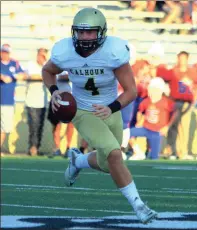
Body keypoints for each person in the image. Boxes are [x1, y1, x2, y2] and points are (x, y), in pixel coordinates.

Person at [42, 7, 157, 223]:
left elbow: (131, 91)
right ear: (74, 32)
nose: (85, 37)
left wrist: (111, 108)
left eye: (91, 32)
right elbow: (47, 71)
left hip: (110, 109)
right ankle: (139, 206)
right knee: (114, 155)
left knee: (109, 164)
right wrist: (54, 91)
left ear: (101, 32)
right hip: (83, 111)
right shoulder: (65, 51)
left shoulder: (113, 51)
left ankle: (78, 161)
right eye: (81, 32)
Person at [122, 77, 177, 160]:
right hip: (146, 128)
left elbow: (175, 114)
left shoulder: (167, 102)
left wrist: (167, 127)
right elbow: (140, 112)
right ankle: (138, 152)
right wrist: (139, 121)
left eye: (155, 89)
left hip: (157, 132)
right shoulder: (146, 101)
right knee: (126, 133)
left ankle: (149, 154)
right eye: (152, 89)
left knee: (154, 157)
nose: (153, 91)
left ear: (161, 90)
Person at [0, 44, 26, 152]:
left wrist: (12, 77)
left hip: (8, 101)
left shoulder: (14, 63)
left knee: (4, 128)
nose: (4, 54)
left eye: (6, 52)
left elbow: (23, 75)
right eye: (2, 51)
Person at [25, 48, 49, 156]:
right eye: (40, 55)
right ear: (37, 55)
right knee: (33, 125)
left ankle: (36, 147)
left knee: (40, 126)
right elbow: (30, 76)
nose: (41, 58)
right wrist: (44, 77)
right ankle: (32, 148)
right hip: (31, 101)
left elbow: (52, 76)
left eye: (44, 56)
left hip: (42, 101)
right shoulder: (31, 65)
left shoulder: (47, 66)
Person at [47, 71, 74, 158]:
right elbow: (53, 75)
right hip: (57, 97)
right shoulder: (55, 63)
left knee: (70, 124)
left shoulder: (71, 65)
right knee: (56, 125)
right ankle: (57, 148)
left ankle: (68, 148)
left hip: (70, 97)